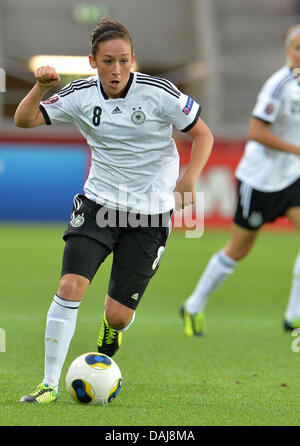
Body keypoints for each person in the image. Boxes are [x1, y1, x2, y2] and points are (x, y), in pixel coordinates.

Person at [14, 17, 213, 403]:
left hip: (150, 216)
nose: (116, 70)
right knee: (70, 286)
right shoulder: (80, 94)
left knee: (119, 315)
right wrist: (40, 86)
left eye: (123, 60)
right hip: (99, 205)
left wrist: (190, 178)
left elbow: (202, 133)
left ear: (133, 59)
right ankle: (48, 384)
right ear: (93, 62)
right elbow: (23, 120)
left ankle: (111, 327)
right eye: (107, 61)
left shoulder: (159, 93)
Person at [181, 24, 300, 338]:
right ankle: (193, 304)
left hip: (291, 178)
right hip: (258, 180)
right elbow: (256, 132)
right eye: (297, 49)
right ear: (287, 52)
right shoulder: (279, 86)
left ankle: (294, 316)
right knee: (239, 249)